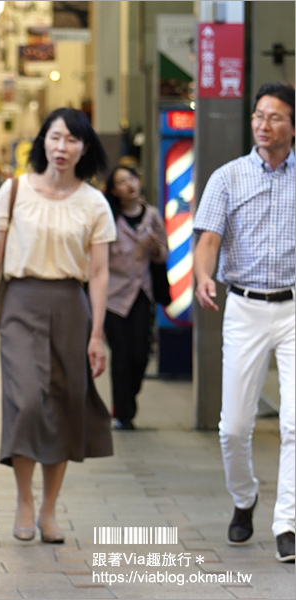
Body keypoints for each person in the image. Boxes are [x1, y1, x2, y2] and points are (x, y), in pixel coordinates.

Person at [0, 107, 115, 545]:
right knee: (28, 400)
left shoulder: (94, 202)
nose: (62, 147)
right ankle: (24, 500)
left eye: (72, 139)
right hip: (20, 305)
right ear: (42, 143)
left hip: (72, 306)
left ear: (84, 147)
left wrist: (97, 335)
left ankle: (49, 508)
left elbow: (101, 273)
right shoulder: (15, 191)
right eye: (55, 137)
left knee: (66, 404)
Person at [193, 81, 295, 563]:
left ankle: (287, 521)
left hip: (295, 310)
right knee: (233, 427)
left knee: (295, 424)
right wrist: (202, 277)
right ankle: (244, 497)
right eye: (258, 115)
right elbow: (209, 239)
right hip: (246, 308)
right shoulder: (228, 177)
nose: (263, 124)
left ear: (292, 126)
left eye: (274, 117)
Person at [103, 165, 168, 430]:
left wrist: (153, 248)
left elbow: (163, 254)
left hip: (142, 293)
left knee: (140, 354)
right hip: (113, 296)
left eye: (132, 178)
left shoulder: (151, 215)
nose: (129, 184)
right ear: (114, 191)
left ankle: (128, 399)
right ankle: (123, 413)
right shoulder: (108, 217)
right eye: (121, 181)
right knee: (121, 354)